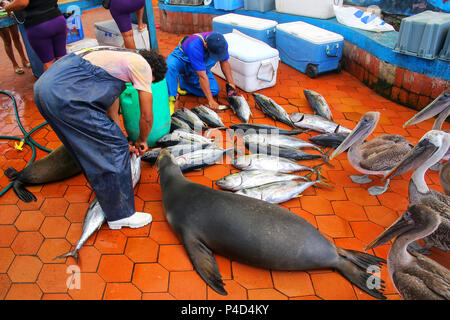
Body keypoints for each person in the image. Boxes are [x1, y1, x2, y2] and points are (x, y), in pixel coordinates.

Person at [33, 46, 167, 230]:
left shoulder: (117, 58)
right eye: (149, 82)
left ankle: (105, 192)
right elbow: (147, 116)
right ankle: (121, 215)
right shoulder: (142, 66)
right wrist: (141, 140)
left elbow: (111, 106)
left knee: (86, 146)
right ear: (151, 71)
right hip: (66, 98)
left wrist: (118, 134)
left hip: (44, 90)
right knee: (115, 148)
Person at [166, 31, 237, 112]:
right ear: (205, 45)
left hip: (199, 64)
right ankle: (171, 97)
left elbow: (225, 62)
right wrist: (211, 101)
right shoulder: (195, 46)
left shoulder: (221, 43)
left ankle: (184, 84)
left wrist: (231, 83)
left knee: (214, 90)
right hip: (183, 59)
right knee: (170, 66)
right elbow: (202, 76)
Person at [3, 0, 67, 71]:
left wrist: (7, 7)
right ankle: (68, 81)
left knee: (48, 63)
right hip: (57, 19)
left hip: (38, 24)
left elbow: (22, 3)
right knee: (62, 59)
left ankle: (54, 82)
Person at [0, 6, 30, 74]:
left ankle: (24, 60)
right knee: (7, 41)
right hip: (0, 17)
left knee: (16, 37)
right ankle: (15, 64)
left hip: (11, 13)